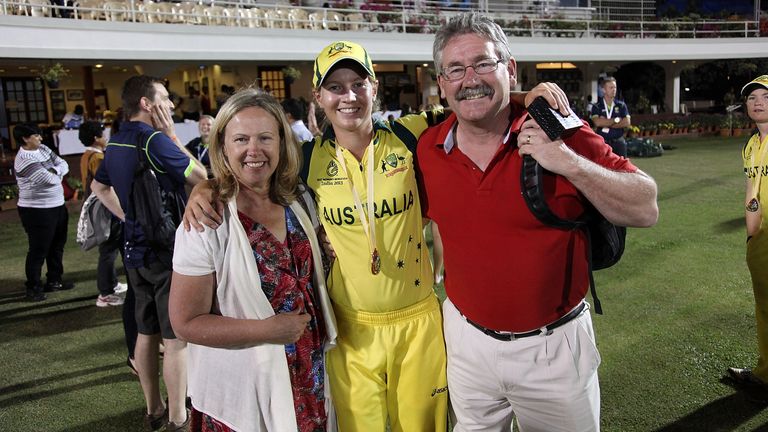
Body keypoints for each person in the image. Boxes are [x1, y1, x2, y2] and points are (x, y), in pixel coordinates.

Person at [183, 40, 566, 432]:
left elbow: (471, 101)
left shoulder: (411, 133)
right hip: (350, 330)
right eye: (335, 87)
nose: (348, 96)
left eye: (358, 83)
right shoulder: (306, 159)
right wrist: (209, 187)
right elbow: (250, 166)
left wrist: (524, 94)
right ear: (318, 95)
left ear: (374, 89)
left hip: (417, 323)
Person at [418, 13, 658, 431]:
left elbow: (645, 206)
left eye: (483, 64)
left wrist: (567, 163)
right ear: (441, 83)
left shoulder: (557, 130)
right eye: (455, 69)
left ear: (509, 69)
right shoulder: (428, 147)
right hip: (465, 343)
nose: (469, 78)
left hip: (553, 350)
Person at [169, 88, 338, 432]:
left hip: (313, 379)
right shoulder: (206, 220)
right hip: (244, 393)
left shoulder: (302, 200)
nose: (254, 150)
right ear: (222, 147)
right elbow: (185, 322)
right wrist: (267, 330)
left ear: (281, 142)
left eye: (265, 137)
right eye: (241, 139)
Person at [92, 75, 207, 431]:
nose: (171, 104)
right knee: (175, 340)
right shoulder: (155, 140)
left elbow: (99, 186)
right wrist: (172, 136)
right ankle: (177, 417)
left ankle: (154, 409)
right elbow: (202, 176)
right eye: (164, 98)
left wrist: (129, 217)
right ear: (147, 103)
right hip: (166, 251)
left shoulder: (116, 141)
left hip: (134, 250)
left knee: (146, 333)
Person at [728, 75, 768, 400]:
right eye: (752, 97)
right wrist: (751, 235)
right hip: (761, 242)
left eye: (765, 97)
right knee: (764, 307)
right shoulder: (751, 145)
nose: (758, 102)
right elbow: (751, 191)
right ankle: (765, 373)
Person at [14, 123, 76, 301]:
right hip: (36, 210)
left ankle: (54, 280)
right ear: (25, 138)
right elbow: (49, 180)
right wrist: (57, 173)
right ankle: (33, 287)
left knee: (57, 245)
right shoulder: (24, 158)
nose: (41, 138)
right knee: (39, 249)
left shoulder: (42, 148)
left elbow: (63, 164)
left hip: (57, 205)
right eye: (36, 135)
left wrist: (56, 171)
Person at [78, 121, 127, 307]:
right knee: (109, 250)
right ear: (96, 138)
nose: (105, 138)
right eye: (102, 135)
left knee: (108, 249)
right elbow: (106, 184)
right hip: (106, 208)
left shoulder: (86, 155)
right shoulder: (97, 158)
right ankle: (105, 293)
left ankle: (111, 284)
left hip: (97, 207)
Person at [591, 76, 631, 157]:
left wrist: (606, 122)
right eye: (611, 87)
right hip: (603, 143)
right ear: (604, 90)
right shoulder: (597, 106)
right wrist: (616, 120)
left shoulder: (621, 105)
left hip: (619, 142)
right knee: (603, 167)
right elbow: (598, 123)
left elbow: (627, 122)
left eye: (615, 87)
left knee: (622, 168)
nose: (614, 90)